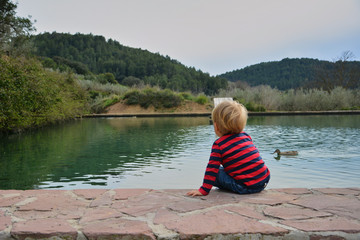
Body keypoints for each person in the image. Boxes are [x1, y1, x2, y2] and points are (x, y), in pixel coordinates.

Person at [187, 101, 270, 196]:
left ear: (216, 126)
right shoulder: (246, 136)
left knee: (216, 173)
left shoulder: (219, 145)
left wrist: (203, 190)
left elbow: (212, 168)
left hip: (245, 187)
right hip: (264, 181)